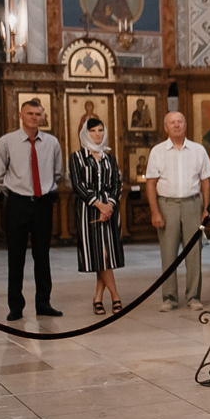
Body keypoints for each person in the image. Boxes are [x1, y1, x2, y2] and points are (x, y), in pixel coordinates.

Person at [0, 99, 64, 321]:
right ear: (21, 115)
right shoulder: (7, 141)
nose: (34, 117)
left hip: (42, 203)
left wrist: (45, 188)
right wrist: (13, 191)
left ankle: (43, 303)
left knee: (42, 255)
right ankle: (15, 306)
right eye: (30, 113)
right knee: (16, 255)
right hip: (18, 203)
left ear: (42, 117)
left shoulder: (51, 143)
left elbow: (58, 172)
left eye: (38, 114)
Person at [145, 111, 210, 312]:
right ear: (166, 127)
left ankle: (193, 296)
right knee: (169, 253)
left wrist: (206, 208)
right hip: (167, 205)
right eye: (172, 123)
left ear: (185, 125)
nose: (176, 125)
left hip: (193, 203)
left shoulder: (198, 150)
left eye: (180, 122)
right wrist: (155, 211)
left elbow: (206, 181)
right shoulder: (157, 151)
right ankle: (169, 297)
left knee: (194, 252)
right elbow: (151, 183)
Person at [69, 118, 124, 314]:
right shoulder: (77, 157)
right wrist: (99, 205)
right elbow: (78, 185)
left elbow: (117, 184)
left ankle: (98, 297)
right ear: (86, 133)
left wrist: (109, 205)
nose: (98, 134)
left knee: (105, 254)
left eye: (101, 130)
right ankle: (115, 296)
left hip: (109, 211)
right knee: (99, 254)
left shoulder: (109, 158)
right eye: (93, 131)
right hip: (89, 210)